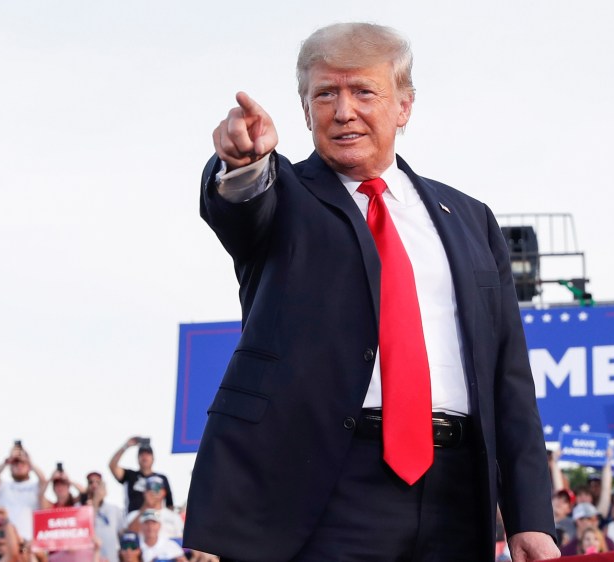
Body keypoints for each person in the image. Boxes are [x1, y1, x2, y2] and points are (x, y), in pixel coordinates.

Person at [183, 21, 558, 562]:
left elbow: (509, 379)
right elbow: (240, 205)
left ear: (403, 106)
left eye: (363, 91)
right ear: (305, 109)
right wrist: (243, 164)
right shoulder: (283, 194)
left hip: (458, 493)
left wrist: (530, 518)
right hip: (326, 486)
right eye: (325, 94)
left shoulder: (471, 220)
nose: (343, 111)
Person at [0, 443, 48, 540]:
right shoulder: (4, 486)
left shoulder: (35, 486)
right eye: (15, 463)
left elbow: (43, 480)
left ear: (29, 467)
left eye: (22, 463)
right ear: (10, 467)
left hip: (30, 539)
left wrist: (29, 461)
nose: (19, 466)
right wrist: (7, 460)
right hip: (8, 539)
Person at [109, 438, 173, 513]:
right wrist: (126, 446)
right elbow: (112, 466)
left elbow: (170, 505)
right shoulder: (130, 475)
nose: (144, 457)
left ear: (153, 458)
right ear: (137, 458)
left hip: (155, 519)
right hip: (133, 519)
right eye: (142, 454)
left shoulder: (161, 478)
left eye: (147, 454)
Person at [82, 473, 123, 562]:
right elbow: (85, 530)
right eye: (91, 482)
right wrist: (95, 501)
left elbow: (122, 534)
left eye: (98, 482)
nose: (94, 485)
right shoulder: (80, 509)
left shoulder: (114, 509)